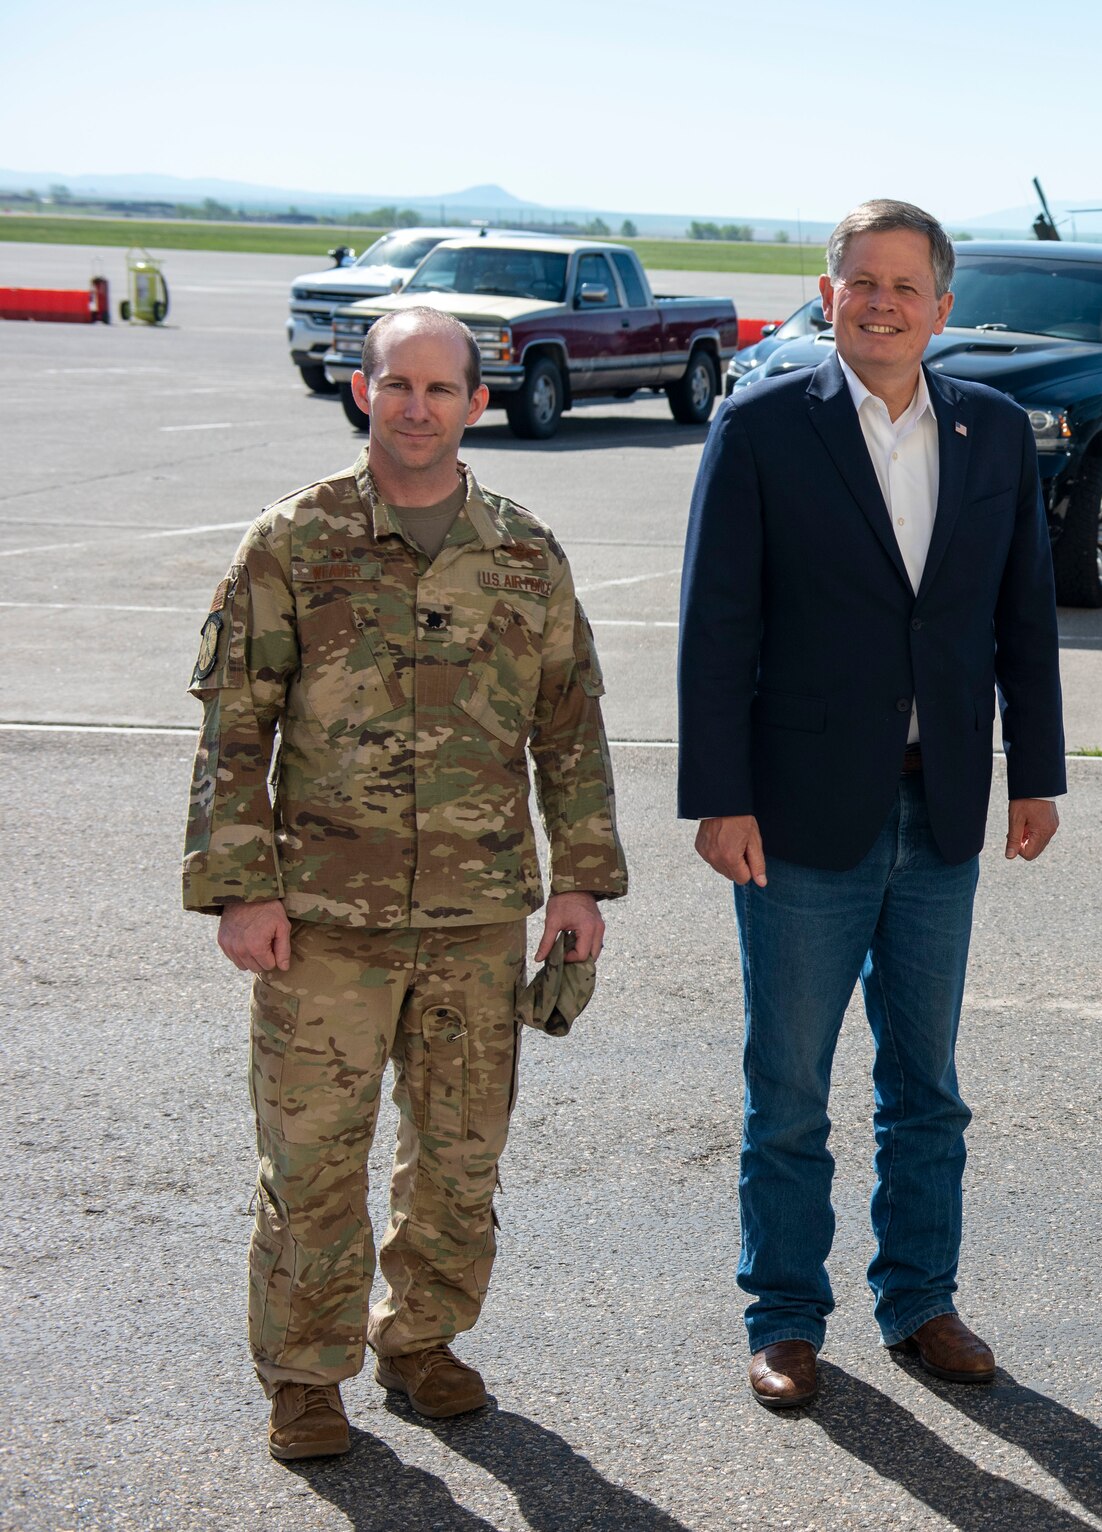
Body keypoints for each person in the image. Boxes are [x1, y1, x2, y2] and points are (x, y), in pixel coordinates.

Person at [182, 306, 627, 1461]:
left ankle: (422, 1338)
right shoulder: (294, 541)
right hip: (321, 919)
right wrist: (242, 886)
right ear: (360, 392)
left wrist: (578, 886)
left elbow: (569, 729)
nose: (417, 407)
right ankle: (303, 1374)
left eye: (441, 388)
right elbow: (238, 728)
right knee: (311, 1155)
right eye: (397, 385)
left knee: (460, 1149)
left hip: (479, 919)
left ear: (478, 402)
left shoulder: (526, 553)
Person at [678, 199, 1066, 1410]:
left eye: (906, 286)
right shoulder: (757, 429)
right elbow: (715, 626)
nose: (882, 302)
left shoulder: (994, 431)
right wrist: (717, 795)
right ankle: (785, 1314)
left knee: (926, 1085)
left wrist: (1037, 768)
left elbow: (1023, 615)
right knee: (789, 1082)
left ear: (942, 308)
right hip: (795, 815)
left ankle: (920, 1299)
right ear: (826, 292)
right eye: (862, 281)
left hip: (940, 806)